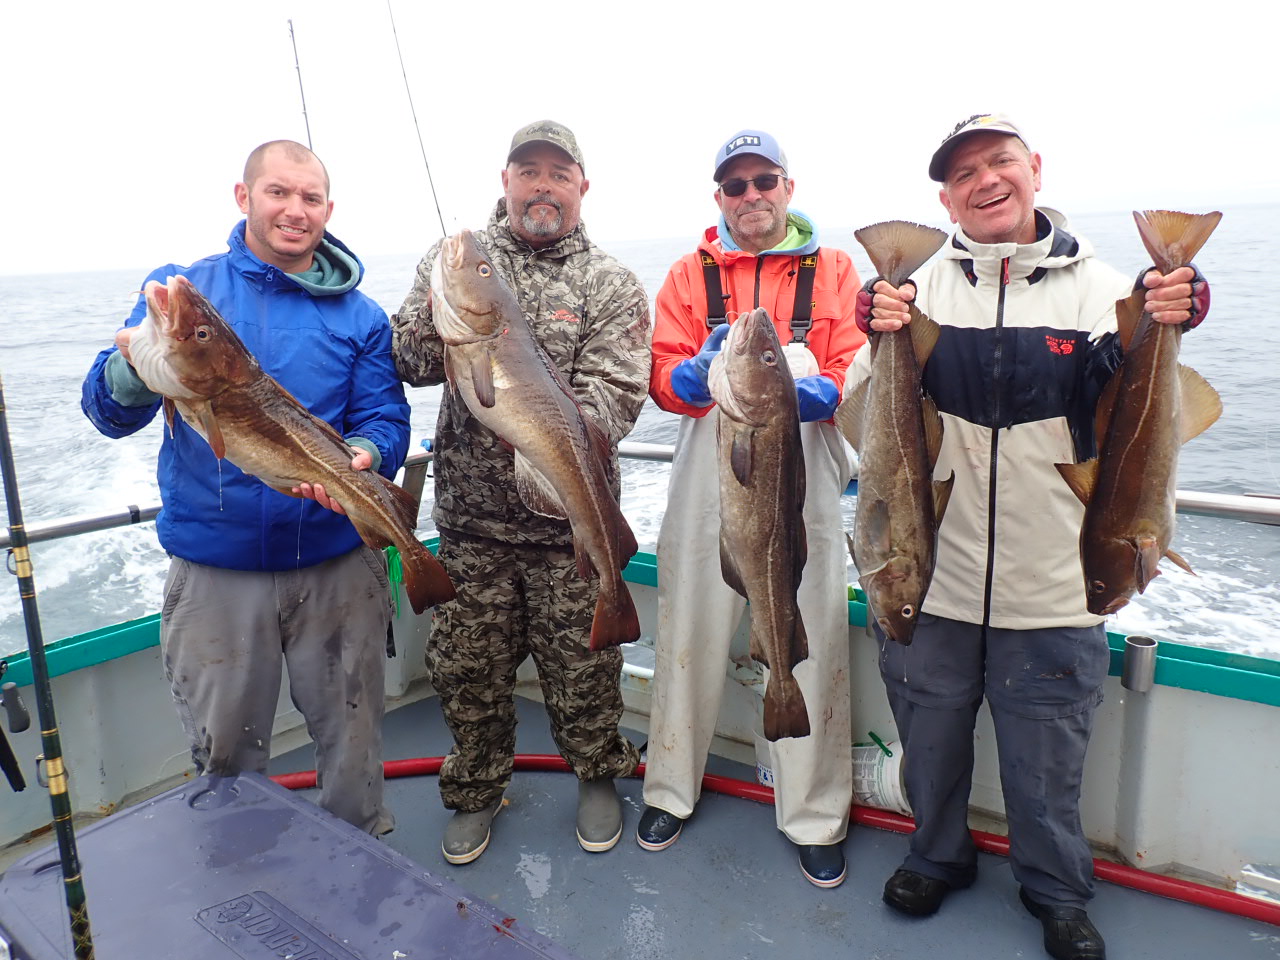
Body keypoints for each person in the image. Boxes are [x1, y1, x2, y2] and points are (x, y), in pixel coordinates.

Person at [854, 114, 1211, 960]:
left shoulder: (1101, 288)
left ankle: (1056, 890)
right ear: (945, 196)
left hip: (1058, 577)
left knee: (1047, 761)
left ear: (1035, 169)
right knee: (930, 742)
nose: (985, 181)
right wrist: (874, 333)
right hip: (931, 573)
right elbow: (864, 418)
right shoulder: (916, 294)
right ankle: (936, 856)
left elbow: (1148, 398)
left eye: (1000, 162)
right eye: (964, 173)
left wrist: (1176, 305)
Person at [81, 140, 411, 836]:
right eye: (278, 192)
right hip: (215, 572)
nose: (294, 210)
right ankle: (240, 885)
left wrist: (365, 453)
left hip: (335, 562)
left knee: (354, 750)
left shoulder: (361, 316)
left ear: (328, 209)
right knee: (225, 753)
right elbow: (108, 414)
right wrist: (131, 374)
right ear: (244, 196)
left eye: (310, 197)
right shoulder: (188, 290)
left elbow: (384, 416)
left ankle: (361, 871)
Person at [391, 120, 651, 864]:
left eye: (558, 173)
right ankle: (475, 788)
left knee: (584, 669)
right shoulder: (460, 261)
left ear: (580, 187)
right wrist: (450, 326)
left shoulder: (609, 281)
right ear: (506, 180)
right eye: (527, 170)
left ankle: (598, 772)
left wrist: (546, 433)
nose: (542, 185)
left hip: (566, 526)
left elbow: (620, 393)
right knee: (467, 670)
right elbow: (408, 358)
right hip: (472, 526)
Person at [639, 129, 866, 888]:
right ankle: (670, 786)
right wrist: (694, 376)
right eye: (734, 186)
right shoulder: (686, 274)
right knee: (688, 632)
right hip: (713, 479)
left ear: (787, 187)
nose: (751, 196)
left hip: (800, 483)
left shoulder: (833, 271)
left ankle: (814, 812)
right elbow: (665, 381)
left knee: (814, 636)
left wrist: (831, 391)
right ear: (719, 199)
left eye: (763, 180)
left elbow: (856, 367)